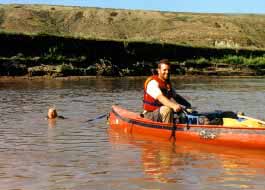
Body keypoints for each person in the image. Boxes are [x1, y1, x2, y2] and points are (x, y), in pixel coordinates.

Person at [142, 59, 189, 123]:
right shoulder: (153, 83)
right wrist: (174, 106)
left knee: (183, 111)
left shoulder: (167, 84)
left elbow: (176, 97)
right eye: (164, 70)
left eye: (169, 70)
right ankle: (168, 131)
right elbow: (161, 98)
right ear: (158, 71)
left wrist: (188, 106)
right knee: (167, 109)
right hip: (150, 114)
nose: (167, 72)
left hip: (162, 113)